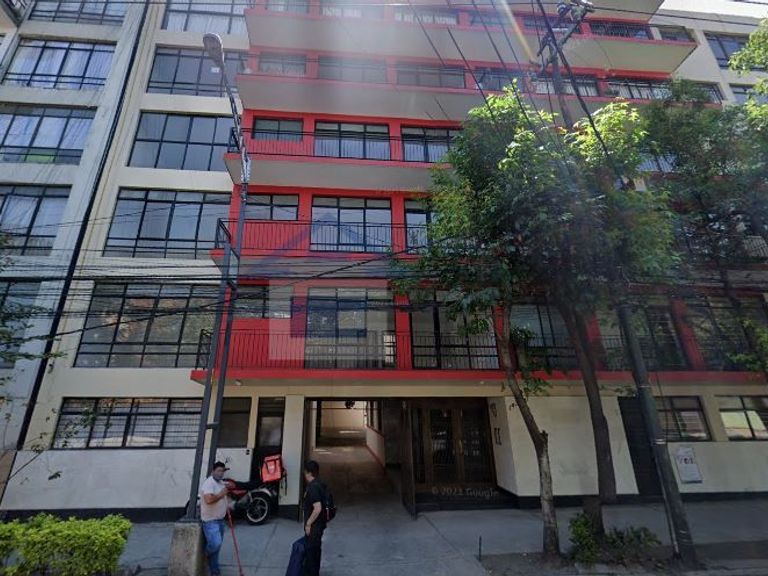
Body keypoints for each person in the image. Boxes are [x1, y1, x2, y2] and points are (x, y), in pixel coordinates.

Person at [200, 461, 230, 576]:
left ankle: (215, 572)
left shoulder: (220, 482)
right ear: (213, 471)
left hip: (220, 520)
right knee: (215, 544)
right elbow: (208, 500)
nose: (221, 473)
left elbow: (223, 495)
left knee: (217, 549)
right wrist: (222, 494)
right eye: (218, 471)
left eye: (222, 471)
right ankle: (203, 555)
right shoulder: (209, 483)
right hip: (210, 521)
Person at [302, 460, 326, 576]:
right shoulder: (320, 483)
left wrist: (308, 524)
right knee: (315, 551)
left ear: (309, 473)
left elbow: (318, 508)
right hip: (320, 524)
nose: (304, 475)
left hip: (315, 527)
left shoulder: (313, 488)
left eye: (305, 472)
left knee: (312, 553)